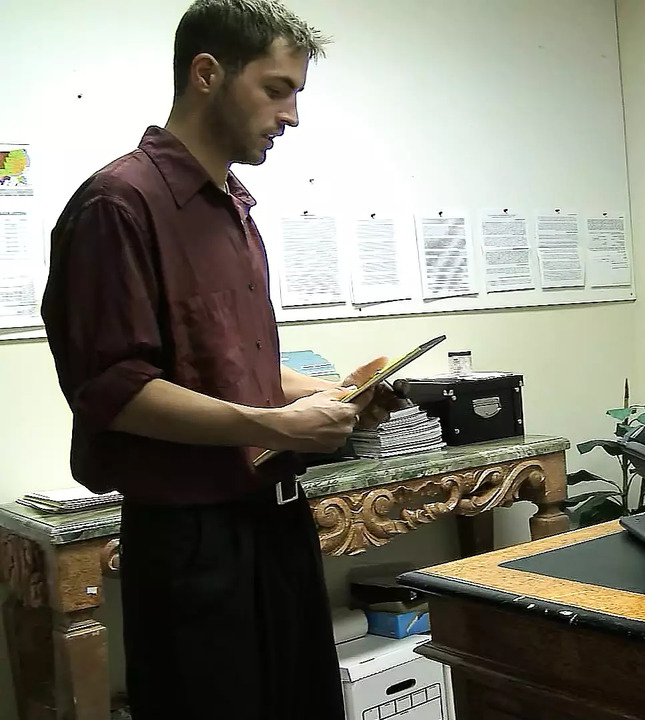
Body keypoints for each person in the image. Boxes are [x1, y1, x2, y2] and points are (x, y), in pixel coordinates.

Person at [40, 2, 398, 718]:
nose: (292, 115)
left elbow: (230, 360)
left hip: (276, 524)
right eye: (276, 89)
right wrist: (274, 426)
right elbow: (116, 389)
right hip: (191, 541)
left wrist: (332, 392)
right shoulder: (118, 205)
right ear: (207, 74)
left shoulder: (235, 208)